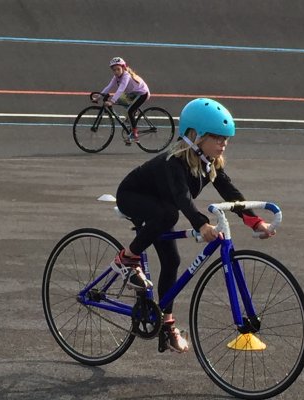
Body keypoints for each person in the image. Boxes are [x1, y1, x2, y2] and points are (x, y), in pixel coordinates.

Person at [110, 98, 276, 353]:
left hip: (161, 207)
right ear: (195, 135)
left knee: (172, 261)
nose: (224, 144)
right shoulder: (174, 162)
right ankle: (126, 259)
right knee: (168, 214)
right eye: (218, 138)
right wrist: (201, 224)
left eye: (226, 139)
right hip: (133, 196)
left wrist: (254, 221)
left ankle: (167, 325)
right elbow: (182, 198)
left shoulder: (209, 164)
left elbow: (231, 193)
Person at [92, 57, 150, 144]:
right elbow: (109, 87)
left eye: (118, 69)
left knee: (129, 111)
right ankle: (134, 113)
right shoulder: (116, 76)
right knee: (120, 99)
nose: (116, 72)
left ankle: (135, 135)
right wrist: (99, 96)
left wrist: (112, 101)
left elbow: (121, 89)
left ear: (123, 68)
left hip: (142, 94)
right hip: (133, 93)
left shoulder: (126, 76)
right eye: (114, 70)